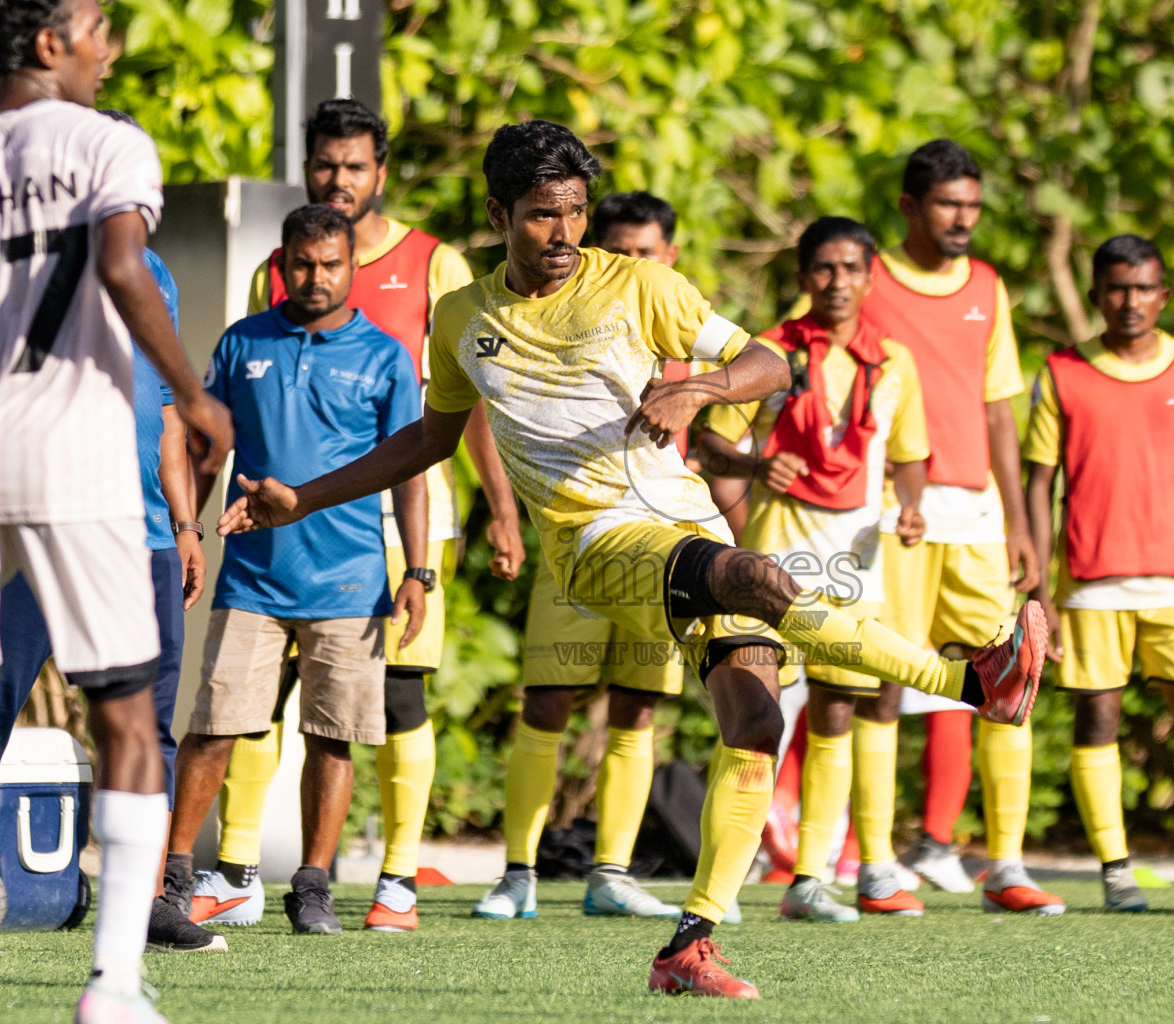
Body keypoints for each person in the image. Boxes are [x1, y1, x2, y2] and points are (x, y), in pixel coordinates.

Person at [216, 120, 1047, 998]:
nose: (564, 233)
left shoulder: (641, 284)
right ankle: (968, 683)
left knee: (756, 725)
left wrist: (702, 386)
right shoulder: (463, 316)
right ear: (500, 214)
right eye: (542, 215)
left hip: (686, 523)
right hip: (593, 544)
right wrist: (303, 496)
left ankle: (690, 946)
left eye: (575, 211)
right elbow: (430, 437)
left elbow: (766, 362)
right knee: (760, 581)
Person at [0, 1, 232, 1020]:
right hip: (71, 455)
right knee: (127, 717)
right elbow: (117, 264)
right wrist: (192, 395)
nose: (111, 48)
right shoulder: (107, 142)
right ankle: (111, 985)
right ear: (52, 41)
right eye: (100, 26)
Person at [200, 99, 523, 933]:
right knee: (256, 703)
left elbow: (466, 403)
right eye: (324, 166)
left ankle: (396, 880)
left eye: (353, 166)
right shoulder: (279, 264)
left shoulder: (434, 262)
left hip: (398, 519)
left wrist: (502, 506)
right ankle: (235, 869)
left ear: (381, 170)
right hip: (283, 518)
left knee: (397, 698)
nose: (337, 180)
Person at [0, 233, 220, 956]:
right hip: (38, 528)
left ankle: (148, 902)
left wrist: (185, 524)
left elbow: (162, 416)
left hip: (146, 536)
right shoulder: (11, 271)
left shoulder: (155, 272)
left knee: (151, 724)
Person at [163, 204, 424, 938]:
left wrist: (420, 569)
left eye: (331, 264)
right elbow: (205, 448)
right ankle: (174, 876)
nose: (315, 277)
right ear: (282, 263)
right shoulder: (243, 341)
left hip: (349, 581)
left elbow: (409, 470)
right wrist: (188, 530)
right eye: (302, 264)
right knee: (214, 727)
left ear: (351, 267)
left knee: (331, 737)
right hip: (249, 575)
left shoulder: (384, 356)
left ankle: (312, 889)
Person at [1024, 234, 1174, 915]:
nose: (1129, 300)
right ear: (1098, 292)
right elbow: (1038, 484)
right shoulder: (1063, 371)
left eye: (1143, 288)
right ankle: (1116, 872)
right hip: (1089, 582)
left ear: (1164, 294)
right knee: (1096, 716)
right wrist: (1040, 586)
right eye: (1116, 287)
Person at [475, 191, 698, 923]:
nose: (632, 264)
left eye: (647, 252)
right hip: (576, 539)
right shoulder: (561, 321)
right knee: (547, 699)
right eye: (620, 251)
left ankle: (611, 873)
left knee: (638, 709)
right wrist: (504, 512)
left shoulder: (684, 330)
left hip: (663, 539)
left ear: (668, 256)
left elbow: (727, 436)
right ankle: (517, 873)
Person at [700, 217, 931, 921]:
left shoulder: (894, 361)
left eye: (851, 269)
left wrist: (912, 505)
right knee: (753, 713)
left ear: (870, 276)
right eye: (823, 270)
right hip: (777, 556)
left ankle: (809, 880)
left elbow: (913, 454)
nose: (837, 283)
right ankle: (723, 881)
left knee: (836, 714)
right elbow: (712, 442)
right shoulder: (771, 354)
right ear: (803, 278)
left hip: (856, 556)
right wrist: (758, 463)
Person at [852, 139, 1057, 914]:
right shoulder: (864, 280)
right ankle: (875, 866)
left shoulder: (988, 287)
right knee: (879, 685)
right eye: (948, 205)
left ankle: (1005, 863)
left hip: (976, 518)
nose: (964, 219)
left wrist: (1016, 521)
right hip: (890, 517)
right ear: (909, 207)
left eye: (972, 205)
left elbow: (1000, 406)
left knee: (1015, 677)